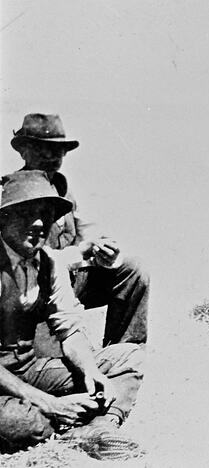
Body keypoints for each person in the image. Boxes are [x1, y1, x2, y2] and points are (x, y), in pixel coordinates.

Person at [0, 170, 144, 456]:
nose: (40, 223)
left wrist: (90, 371)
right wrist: (47, 402)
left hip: (29, 368)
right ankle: (74, 432)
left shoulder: (48, 263)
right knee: (20, 422)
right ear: (4, 218)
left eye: (46, 214)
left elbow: (70, 330)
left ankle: (102, 425)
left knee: (129, 357)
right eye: (28, 213)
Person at [10, 113, 149, 348]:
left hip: (70, 280)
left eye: (57, 150)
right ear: (23, 151)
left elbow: (87, 234)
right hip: (33, 290)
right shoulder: (13, 195)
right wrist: (82, 253)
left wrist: (103, 250)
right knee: (53, 368)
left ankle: (122, 353)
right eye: (40, 148)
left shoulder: (64, 190)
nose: (50, 156)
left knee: (133, 269)